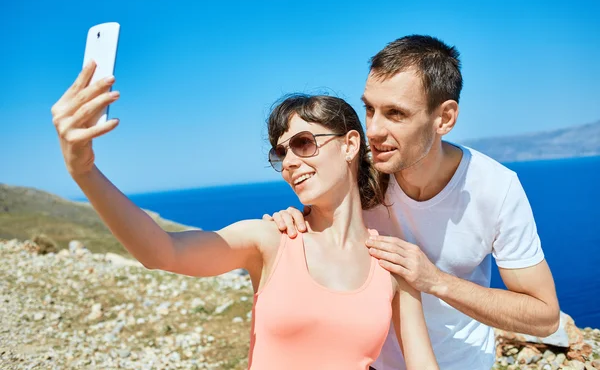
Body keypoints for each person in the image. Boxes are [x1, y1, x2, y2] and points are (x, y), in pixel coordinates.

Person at [50, 66, 439, 370]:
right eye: (280, 153)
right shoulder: (271, 240)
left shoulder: (394, 262)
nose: (290, 162)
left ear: (350, 144)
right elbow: (161, 251)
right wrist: (85, 172)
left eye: (303, 143)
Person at [265, 35, 561, 370]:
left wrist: (435, 280)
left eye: (395, 113)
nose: (373, 130)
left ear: (444, 119)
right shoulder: (358, 171)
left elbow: (545, 316)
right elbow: (313, 225)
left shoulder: (495, 188)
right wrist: (292, 220)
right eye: (370, 109)